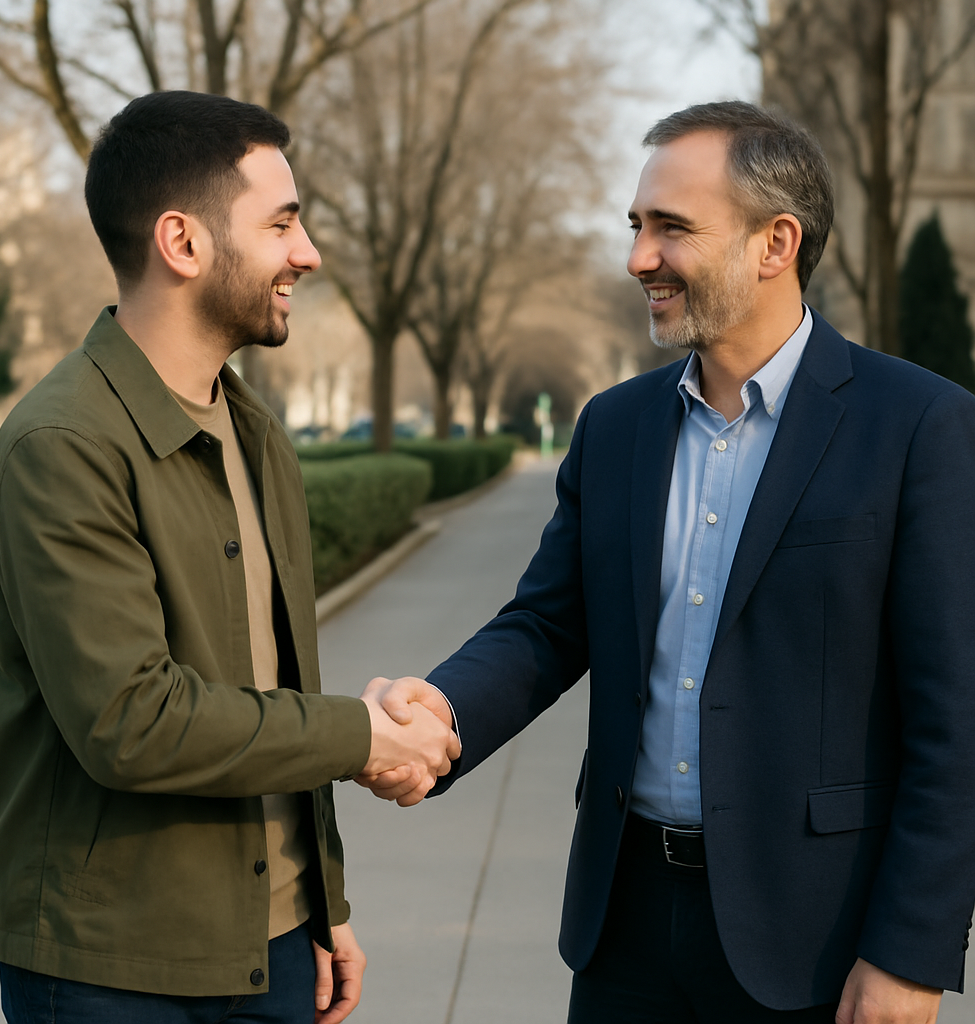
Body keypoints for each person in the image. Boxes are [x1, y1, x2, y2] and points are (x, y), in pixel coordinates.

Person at [356, 101, 975, 1022]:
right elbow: (547, 623)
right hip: (625, 926)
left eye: (671, 228)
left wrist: (910, 953)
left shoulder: (918, 425)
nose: (639, 257)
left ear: (776, 243)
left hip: (817, 942)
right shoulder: (615, 426)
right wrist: (439, 712)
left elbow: (956, 720)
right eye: (637, 226)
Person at [0, 90, 459, 1024]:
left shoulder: (255, 432)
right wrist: (362, 738)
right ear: (182, 243)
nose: (307, 253)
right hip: (111, 970)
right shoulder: (62, 444)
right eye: (281, 222)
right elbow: (131, 719)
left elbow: (267, 681)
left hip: (273, 950)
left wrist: (324, 902)